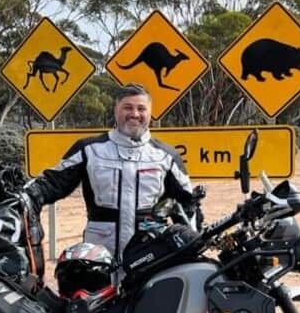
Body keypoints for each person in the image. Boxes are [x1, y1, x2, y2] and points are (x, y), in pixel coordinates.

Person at [26, 84, 197, 263]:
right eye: (128, 107)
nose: (135, 114)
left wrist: (191, 245)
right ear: (116, 110)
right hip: (99, 256)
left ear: (150, 112)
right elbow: (52, 183)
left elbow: (188, 204)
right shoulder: (89, 149)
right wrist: (22, 197)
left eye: (141, 108)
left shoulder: (166, 156)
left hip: (149, 255)